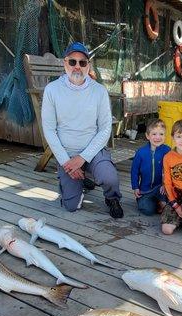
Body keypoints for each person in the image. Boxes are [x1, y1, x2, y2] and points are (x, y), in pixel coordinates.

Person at [41, 42, 123, 218]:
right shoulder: (52, 90)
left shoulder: (99, 91)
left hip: (94, 151)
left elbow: (105, 129)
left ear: (88, 66)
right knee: (71, 206)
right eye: (72, 62)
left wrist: (83, 158)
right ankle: (74, 182)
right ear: (65, 64)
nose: (77, 67)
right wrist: (66, 162)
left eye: (82, 62)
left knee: (109, 177)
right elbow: (49, 130)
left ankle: (112, 198)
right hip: (67, 154)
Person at [130, 119, 170, 216]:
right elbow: (134, 171)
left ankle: (162, 202)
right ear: (148, 136)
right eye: (154, 134)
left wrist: (166, 184)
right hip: (146, 189)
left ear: (165, 136)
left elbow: (170, 170)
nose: (158, 137)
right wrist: (135, 187)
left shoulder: (167, 151)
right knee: (147, 210)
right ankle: (154, 203)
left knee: (169, 200)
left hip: (162, 187)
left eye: (161, 134)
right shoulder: (141, 152)